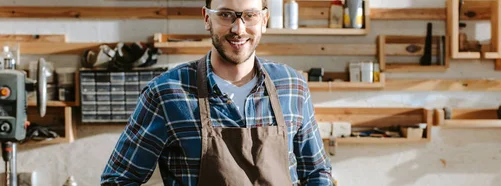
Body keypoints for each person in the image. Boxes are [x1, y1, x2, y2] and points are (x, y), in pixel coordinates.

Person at [100, 0, 333, 185]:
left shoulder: (292, 86)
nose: (238, 28)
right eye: (225, 14)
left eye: (250, 15)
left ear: (264, 20)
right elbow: (118, 180)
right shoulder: (167, 92)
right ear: (207, 18)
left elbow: (317, 172)